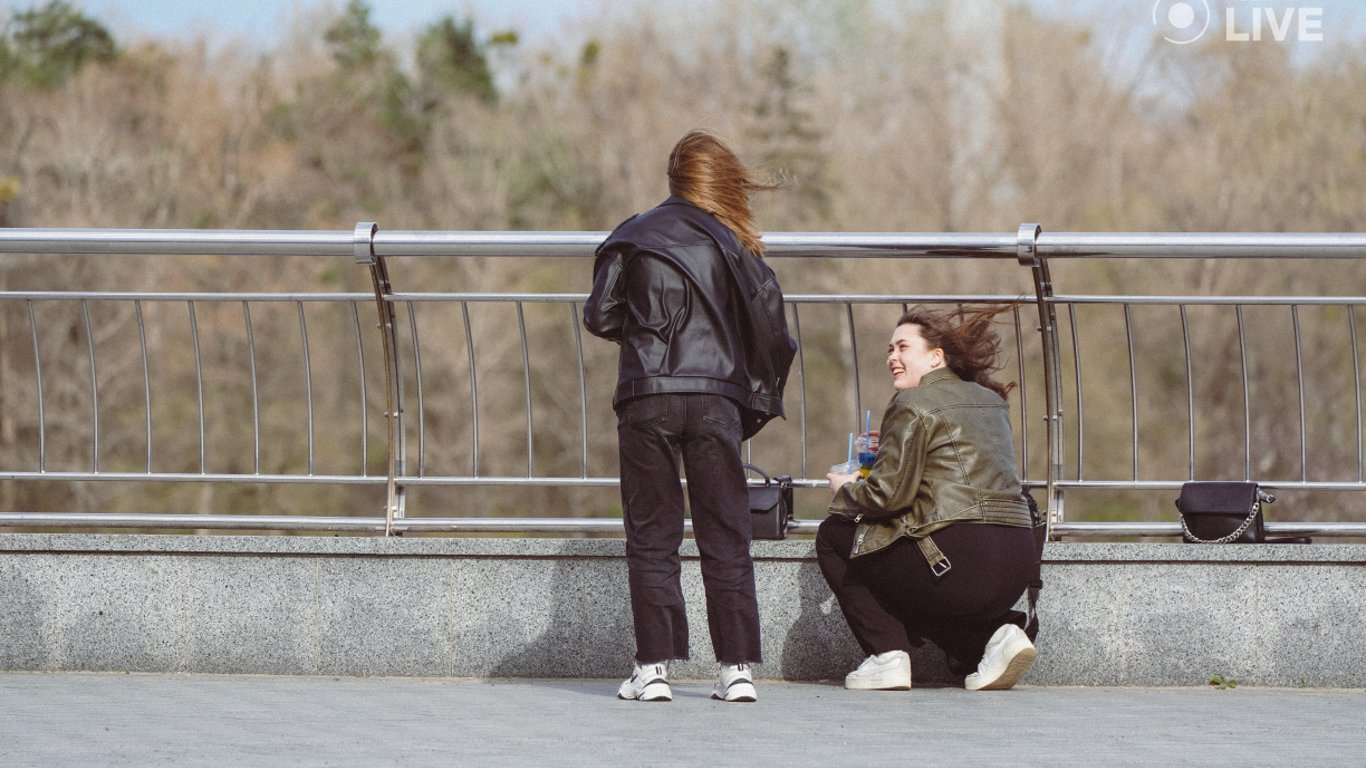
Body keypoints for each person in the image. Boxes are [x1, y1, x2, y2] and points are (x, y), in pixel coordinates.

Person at [583, 130, 796, 703]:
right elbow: (775, 331)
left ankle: (652, 670)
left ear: (673, 181)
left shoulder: (633, 233)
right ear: (723, 180)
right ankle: (737, 670)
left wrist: (647, 332)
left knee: (651, 532)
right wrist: (751, 398)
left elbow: (600, 315)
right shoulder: (734, 244)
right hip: (714, 398)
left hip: (647, 393)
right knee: (725, 530)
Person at [817, 305, 1038, 691]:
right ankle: (994, 639)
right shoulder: (990, 401)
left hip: (960, 560)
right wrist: (888, 448)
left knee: (836, 536)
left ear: (936, 356)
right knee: (910, 582)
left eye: (903, 347)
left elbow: (886, 498)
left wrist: (846, 490)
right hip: (1016, 560)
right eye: (889, 349)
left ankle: (887, 657)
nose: (892, 357)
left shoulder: (911, 403)